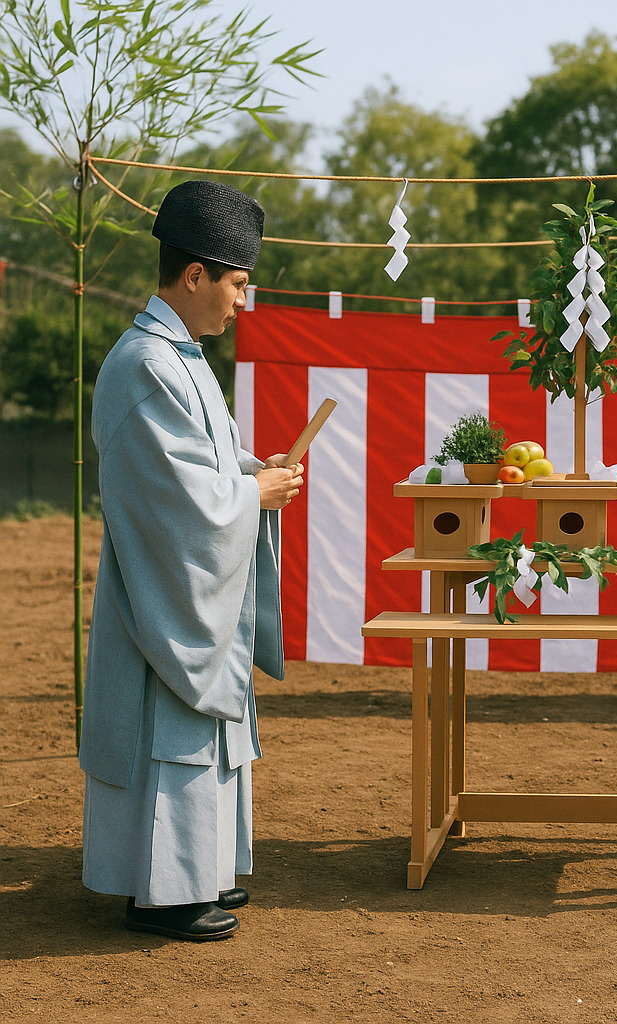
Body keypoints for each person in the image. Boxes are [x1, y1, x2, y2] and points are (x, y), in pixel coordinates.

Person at [79, 180, 303, 941]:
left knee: (196, 734)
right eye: (238, 284)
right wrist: (249, 498)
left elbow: (203, 466)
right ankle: (160, 890)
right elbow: (175, 504)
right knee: (168, 729)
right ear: (196, 275)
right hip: (160, 590)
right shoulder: (145, 363)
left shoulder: (180, 356)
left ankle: (196, 870)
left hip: (182, 576)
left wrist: (249, 474)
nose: (242, 301)